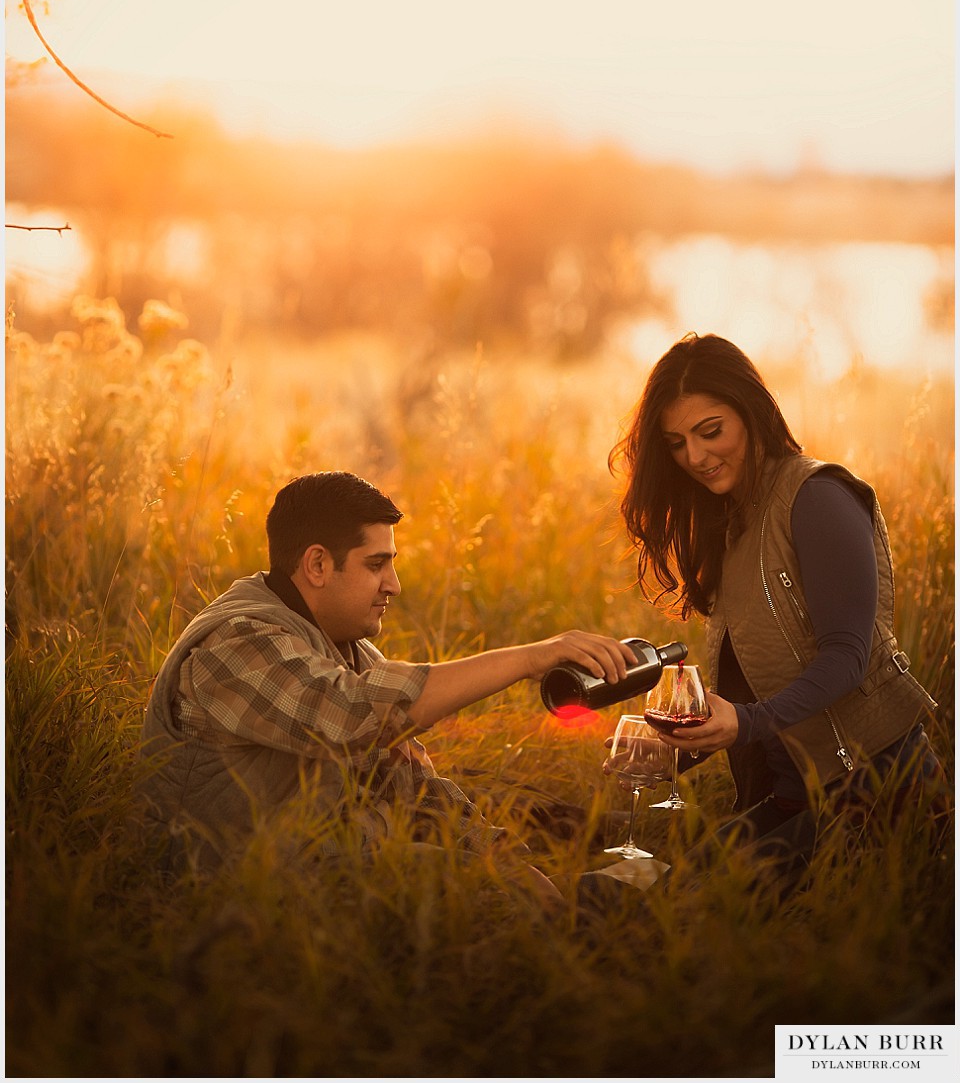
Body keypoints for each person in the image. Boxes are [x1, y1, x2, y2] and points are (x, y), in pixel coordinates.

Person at [140, 470, 638, 894]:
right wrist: (532, 658)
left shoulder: (343, 647)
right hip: (230, 898)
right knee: (485, 897)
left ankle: (628, 865)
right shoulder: (235, 645)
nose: (393, 585)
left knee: (529, 869)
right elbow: (352, 717)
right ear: (316, 565)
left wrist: (504, 858)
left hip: (322, 865)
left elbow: (411, 784)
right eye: (376, 565)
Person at [609, 332, 942, 884]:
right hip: (794, 797)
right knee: (646, 882)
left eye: (710, 432)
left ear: (753, 412)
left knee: (689, 901)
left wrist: (744, 724)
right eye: (675, 443)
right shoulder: (731, 520)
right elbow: (752, 687)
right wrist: (674, 750)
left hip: (872, 790)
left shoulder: (818, 497)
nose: (694, 456)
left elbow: (847, 656)